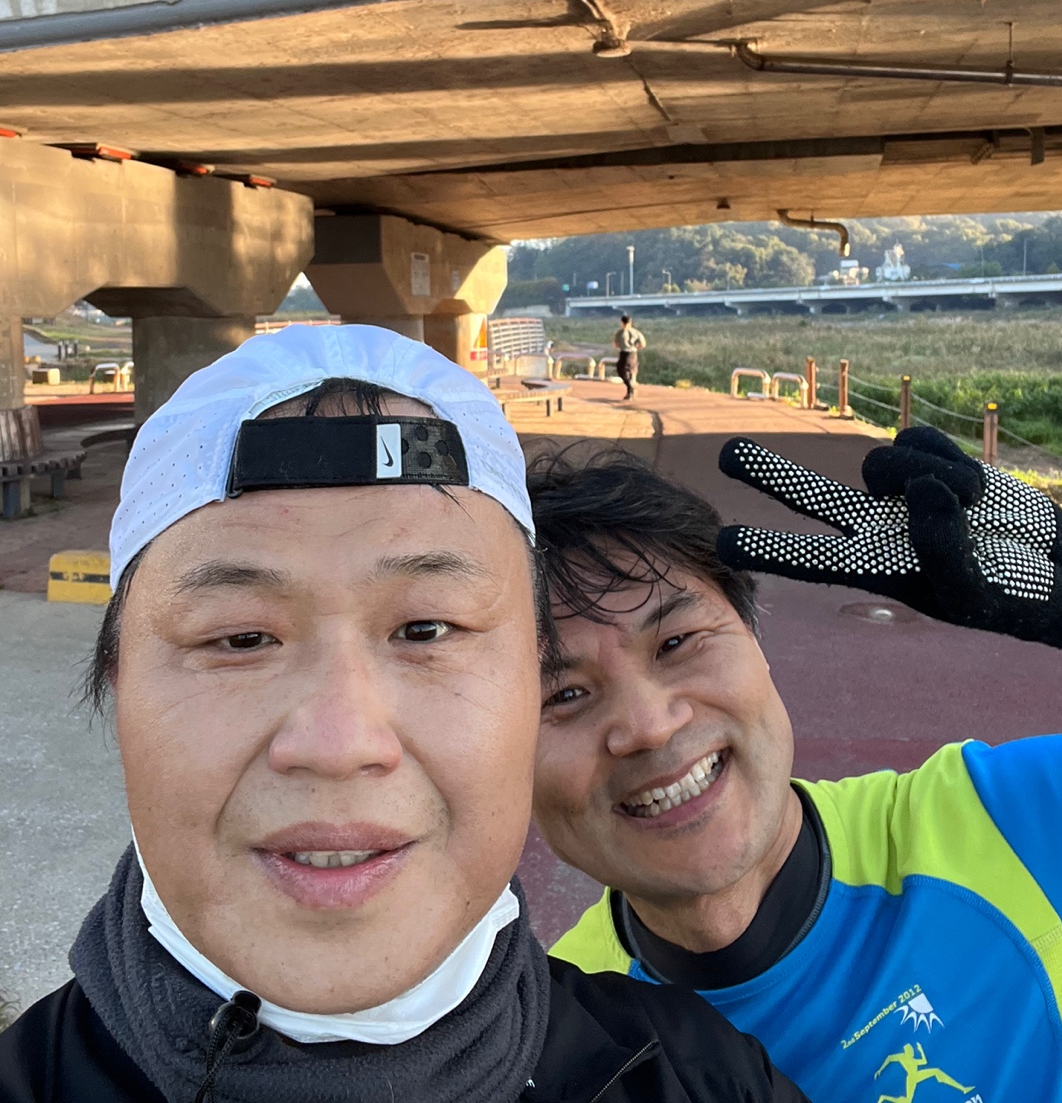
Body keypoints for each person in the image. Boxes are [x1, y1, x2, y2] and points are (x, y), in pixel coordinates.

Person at [0, 325, 807, 1103]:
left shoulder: (704, 1078)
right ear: (118, 684)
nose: (339, 742)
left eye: (426, 630)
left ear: (531, 680)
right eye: (240, 639)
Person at [527, 430, 1062, 1103]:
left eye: (677, 642)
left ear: (757, 642)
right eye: (564, 695)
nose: (650, 725)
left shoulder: (1019, 819)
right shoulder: (555, 1041)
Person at [613, 315, 646, 401]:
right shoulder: (636, 332)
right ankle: (630, 392)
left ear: (622, 323)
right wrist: (636, 347)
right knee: (631, 371)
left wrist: (622, 346)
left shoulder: (620, 332)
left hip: (624, 353)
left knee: (621, 370)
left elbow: (616, 344)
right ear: (630, 322)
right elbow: (643, 344)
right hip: (633, 353)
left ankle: (631, 387)